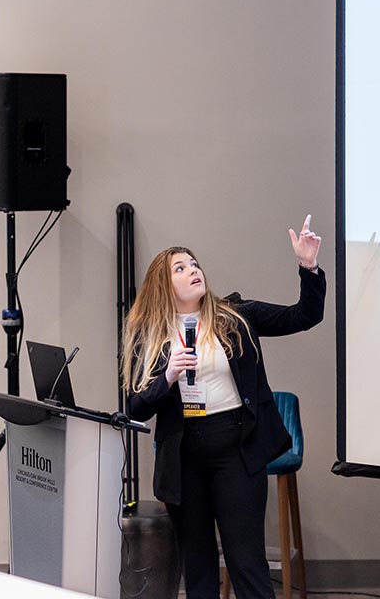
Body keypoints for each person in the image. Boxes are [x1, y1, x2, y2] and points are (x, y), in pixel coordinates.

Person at [122, 215, 325, 599]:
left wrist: (308, 266)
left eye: (194, 264)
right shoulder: (150, 336)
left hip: (236, 450)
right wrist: (167, 377)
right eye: (179, 268)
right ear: (163, 285)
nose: (193, 270)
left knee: (246, 563)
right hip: (184, 457)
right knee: (197, 568)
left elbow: (305, 316)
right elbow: (135, 407)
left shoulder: (234, 315)